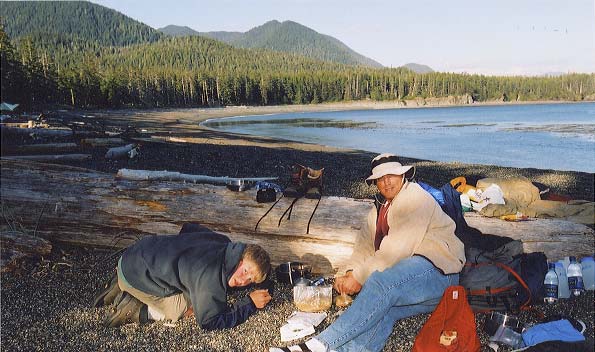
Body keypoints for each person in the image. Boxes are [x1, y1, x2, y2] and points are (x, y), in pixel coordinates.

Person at [271, 153, 465, 352]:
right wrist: (347, 272)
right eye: (380, 178)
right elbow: (363, 246)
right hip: (413, 283)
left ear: (402, 176)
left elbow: (395, 251)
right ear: (375, 183)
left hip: (439, 274)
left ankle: (316, 345)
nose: (386, 182)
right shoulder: (380, 207)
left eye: (391, 175)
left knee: (380, 284)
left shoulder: (415, 197)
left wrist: (359, 276)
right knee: (381, 311)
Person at [95, 223, 272, 329]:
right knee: (186, 308)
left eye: (250, 280)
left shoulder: (223, 242)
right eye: (246, 271)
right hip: (134, 275)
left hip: (136, 253)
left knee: (192, 288)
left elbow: (189, 228)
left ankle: (123, 279)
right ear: (240, 258)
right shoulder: (211, 277)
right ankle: (135, 306)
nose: (243, 281)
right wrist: (249, 304)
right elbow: (209, 322)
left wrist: (183, 266)